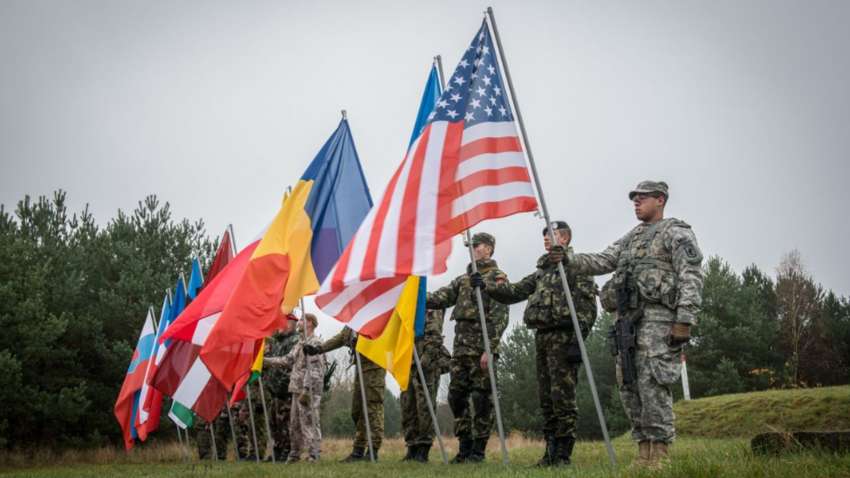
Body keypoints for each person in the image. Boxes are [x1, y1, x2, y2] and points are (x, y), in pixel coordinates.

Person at [562, 180, 704, 468]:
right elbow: (603, 260)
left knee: (654, 384)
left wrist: (685, 320)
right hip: (627, 324)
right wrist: (567, 258)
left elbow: (691, 276)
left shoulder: (675, 232)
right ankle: (643, 451)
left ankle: (660, 453)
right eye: (634, 199)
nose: (636, 203)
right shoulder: (631, 238)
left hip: (659, 321)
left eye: (642, 198)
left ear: (660, 200)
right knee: (629, 385)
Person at [480, 221, 598, 466]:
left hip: (564, 338)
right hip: (542, 337)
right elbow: (514, 293)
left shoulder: (577, 267)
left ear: (564, 238)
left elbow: (588, 307)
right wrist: (486, 286)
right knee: (547, 399)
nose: (546, 238)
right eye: (544, 235)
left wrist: (579, 341)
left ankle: (563, 455)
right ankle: (550, 453)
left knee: (563, 397)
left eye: (552, 234)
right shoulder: (541, 272)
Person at [426, 232, 509, 464]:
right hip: (461, 350)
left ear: (490, 249)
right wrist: (415, 294)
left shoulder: (497, 277)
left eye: (478, 245)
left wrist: (490, 349)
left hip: (481, 350)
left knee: (482, 399)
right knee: (456, 396)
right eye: (471, 246)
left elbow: (501, 314)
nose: (473, 248)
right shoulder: (464, 279)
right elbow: (441, 297)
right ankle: (465, 446)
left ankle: (478, 451)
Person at [305, 326, 386, 462]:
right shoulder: (353, 320)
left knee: (373, 408)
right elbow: (341, 338)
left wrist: (361, 339)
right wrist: (319, 349)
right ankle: (358, 450)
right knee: (357, 411)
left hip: (375, 367)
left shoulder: (373, 311)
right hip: (360, 367)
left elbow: (381, 334)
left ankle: (373, 450)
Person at [264, 313, 326, 463]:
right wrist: (266, 360)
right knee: (295, 424)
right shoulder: (300, 343)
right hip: (296, 389)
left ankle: (314, 454)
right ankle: (294, 454)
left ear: (310, 323)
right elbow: (287, 360)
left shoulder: (315, 343)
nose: (299, 322)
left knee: (310, 422)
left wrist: (306, 390)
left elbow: (315, 370)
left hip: (308, 391)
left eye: (302, 320)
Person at [400, 309, 451, 462]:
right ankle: (412, 446)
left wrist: (425, 361)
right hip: (407, 363)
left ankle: (424, 448)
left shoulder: (429, 307)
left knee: (425, 407)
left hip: (426, 364)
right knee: (407, 406)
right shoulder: (405, 308)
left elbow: (435, 337)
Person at [263, 327, 300, 461]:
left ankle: (287, 450)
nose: (282, 327)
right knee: (274, 422)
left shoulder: (295, 340)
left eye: (287, 323)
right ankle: (277, 449)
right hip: (274, 390)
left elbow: (288, 362)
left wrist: (282, 384)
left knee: (286, 422)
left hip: (285, 389)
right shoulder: (277, 342)